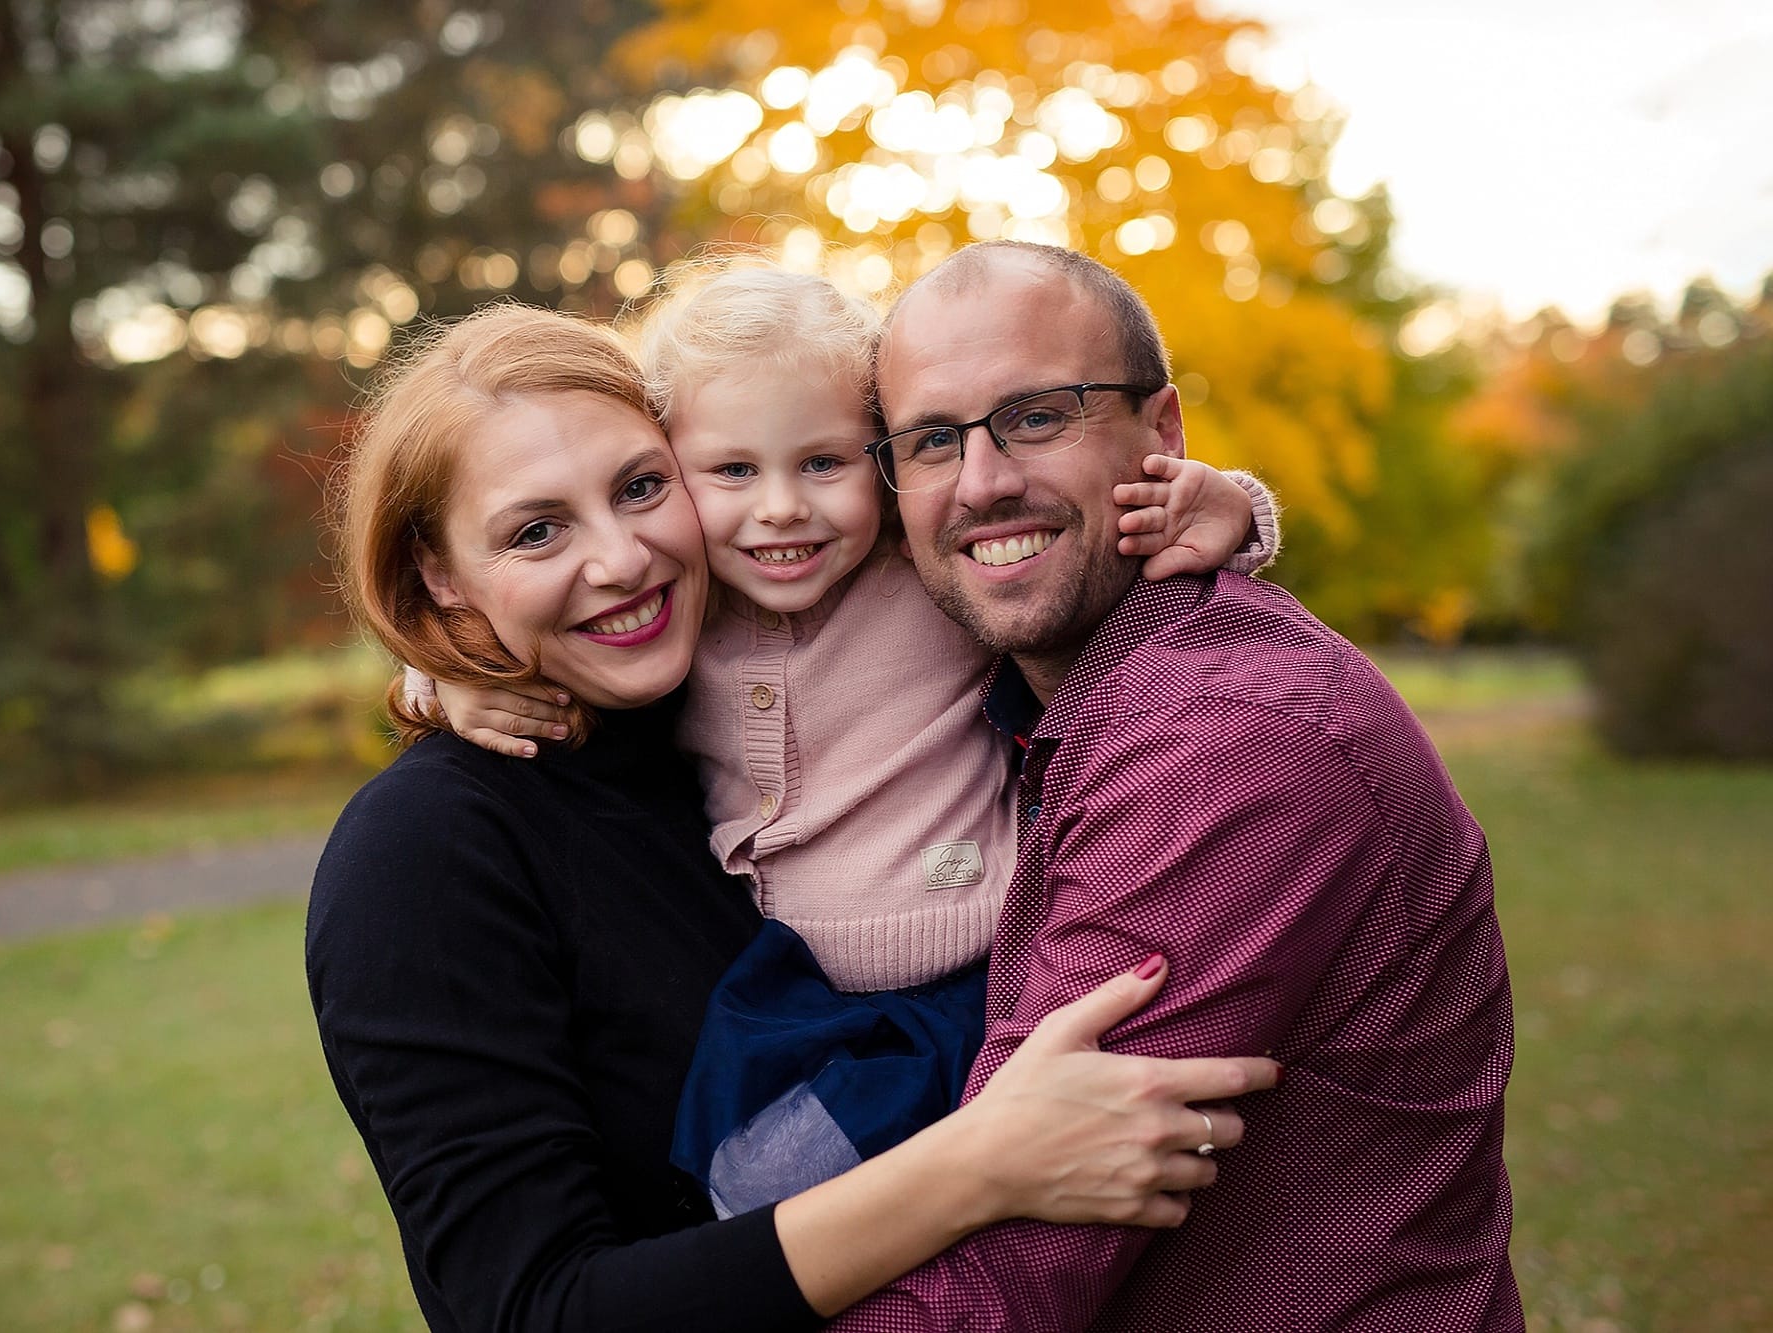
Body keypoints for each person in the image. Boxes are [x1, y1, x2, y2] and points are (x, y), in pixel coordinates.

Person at [305, 301, 1281, 1333]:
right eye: (535, 529)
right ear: (438, 573)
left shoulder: (698, 716)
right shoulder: (421, 852)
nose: (624, 559)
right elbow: (536, 1310)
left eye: (641, 488)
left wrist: (1219, 506)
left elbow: (1030, 533)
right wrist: (981, 1161)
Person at [829, 240, 1522, 1331]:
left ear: (1161, 435)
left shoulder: (1218, 743)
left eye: (1038, 415)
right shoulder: (1051, 700)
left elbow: (1007, 1273)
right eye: (929, 440)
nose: (980, 481)